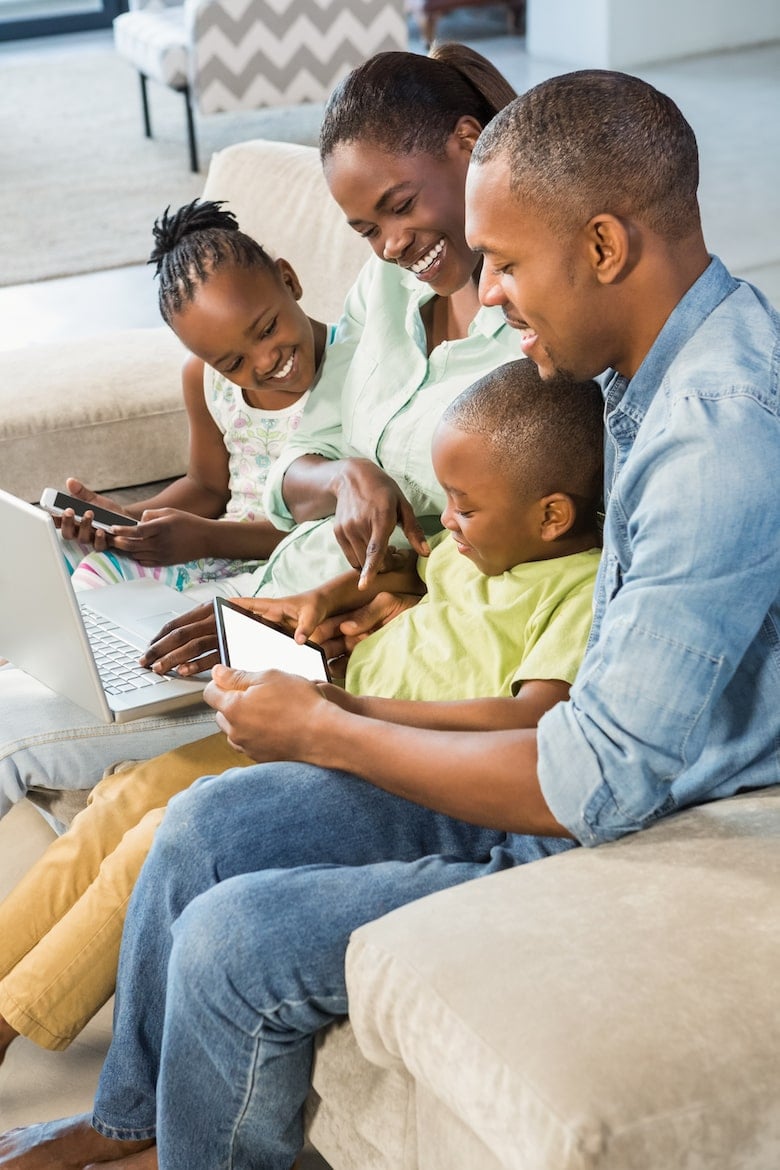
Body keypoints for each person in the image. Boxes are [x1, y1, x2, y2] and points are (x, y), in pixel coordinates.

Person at [3, 65, 776, 1170]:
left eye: (506, 263)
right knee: (202, 828)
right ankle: (135, 1128)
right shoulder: (638, 361)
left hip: (607, 818)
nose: (491, 294)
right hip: (538, 758)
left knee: (233, 940)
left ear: (604, 248)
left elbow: (594, 784)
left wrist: (328, 724)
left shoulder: (715, 442)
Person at [0, 360, 604, 1064]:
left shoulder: (580, 589)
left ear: (553, 515)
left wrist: (349, 711)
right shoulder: (481, 550)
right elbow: (416, 568)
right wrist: (334, 595)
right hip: (317, 709)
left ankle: (10, 1021)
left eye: (464, 507)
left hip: (372, 753)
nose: (451, 523)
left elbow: (536, 720)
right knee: (124, 795)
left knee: (157, 839)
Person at [0, 43, 522, 821]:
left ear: (469, 142)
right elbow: (296, 462)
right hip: (257, 608)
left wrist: (292, 618)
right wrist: (346, 476)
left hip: (311, 637)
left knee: (39, 752)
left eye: (399, 207)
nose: (389, 245)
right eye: (365, 228)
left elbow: (480, 549)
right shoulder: (386, 287)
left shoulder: (533, 333)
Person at [59, 198, 331, 600]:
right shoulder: (205, 378)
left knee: (94, 582)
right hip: (217, 549)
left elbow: (327, 527)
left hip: (295, 564)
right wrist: (125, 519)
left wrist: (206, 538)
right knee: (64, 554)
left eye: (267, 328)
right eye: (233, 361)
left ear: (288, 281)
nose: (266, 360)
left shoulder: (352, 367)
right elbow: (206, 486)